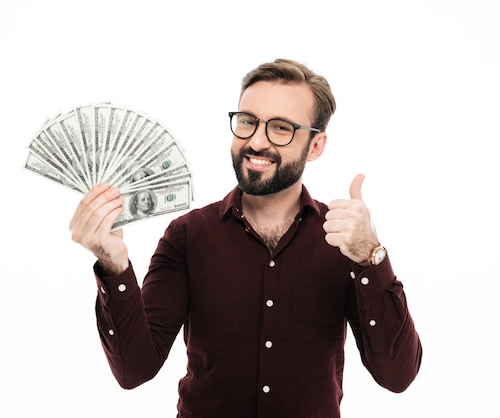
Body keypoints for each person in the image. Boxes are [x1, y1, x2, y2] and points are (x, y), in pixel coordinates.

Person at [69, 58, 422, 417]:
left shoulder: (345, 242)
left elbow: (397, 375)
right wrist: (113, 265)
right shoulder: (188, 235)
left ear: (315, 146)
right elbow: (134, 370)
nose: (256, 141)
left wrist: (369, 257)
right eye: (248, 121)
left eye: (281, 128)